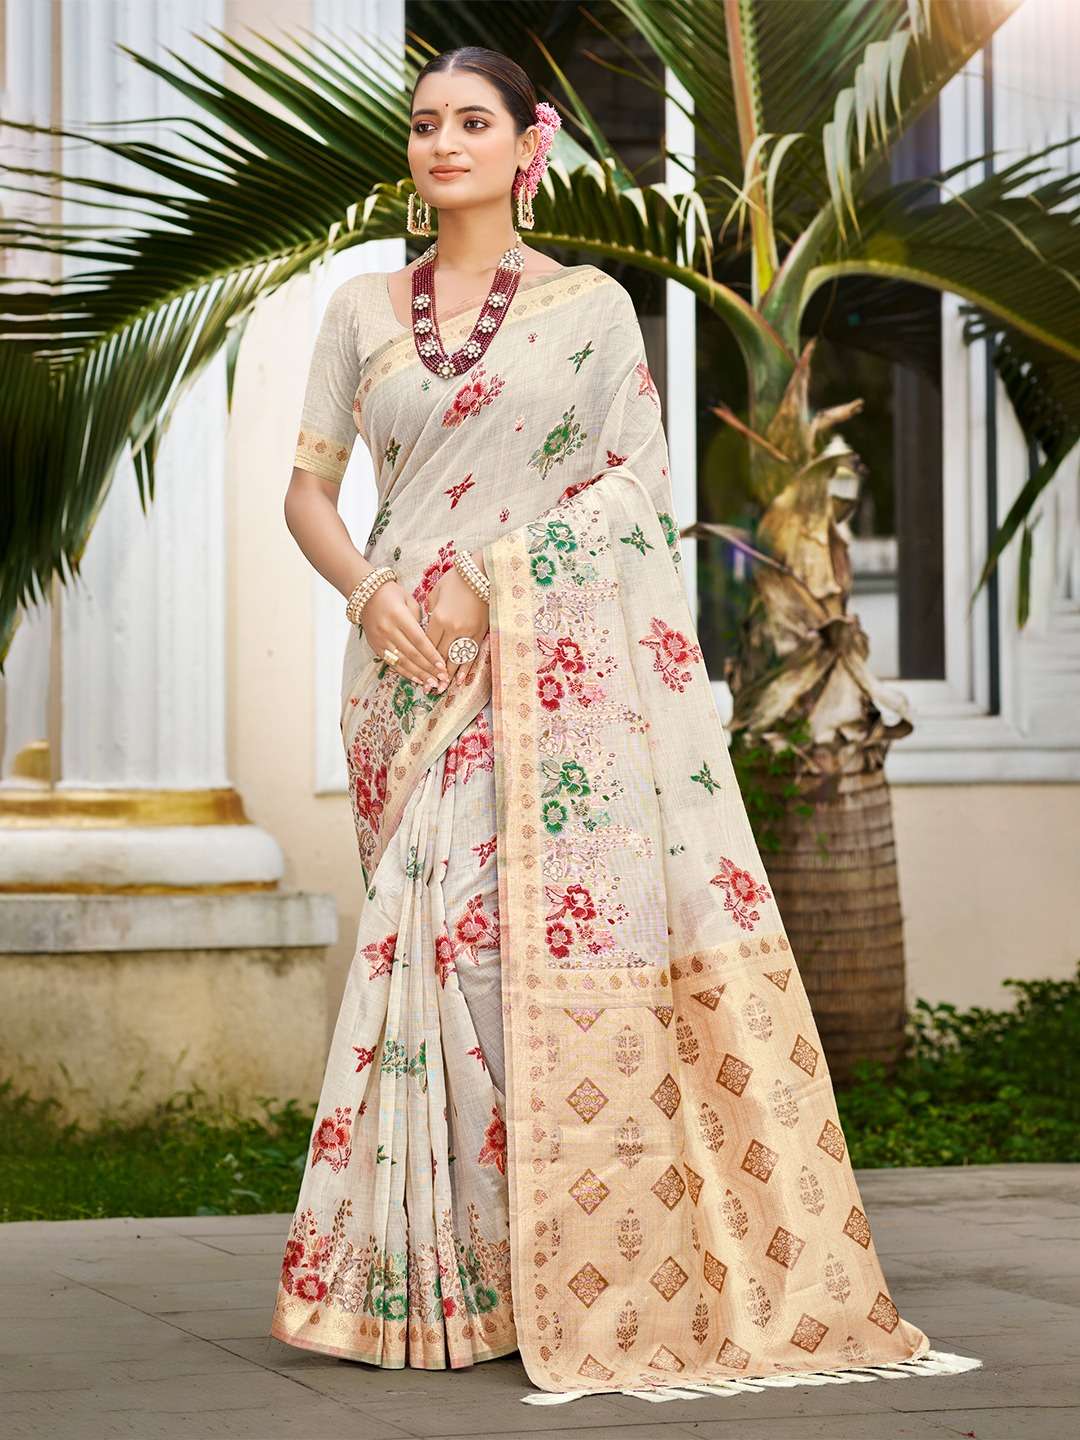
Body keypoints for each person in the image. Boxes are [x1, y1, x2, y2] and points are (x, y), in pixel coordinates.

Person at [270, 45, 940, 1404]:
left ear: (530, 146)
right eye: (424, 124)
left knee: (488, 951)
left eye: (472, 121)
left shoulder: (589, 310)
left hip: (534, 668)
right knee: (432, 964)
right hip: (398, 676)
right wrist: (371, 593)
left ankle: (562, 1262)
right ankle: (449, 1281)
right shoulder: (358, 311)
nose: (442, 143)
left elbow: (635, 487)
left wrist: (492, 581)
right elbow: (310, 493)